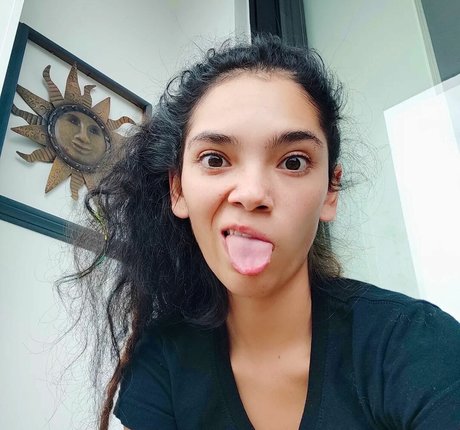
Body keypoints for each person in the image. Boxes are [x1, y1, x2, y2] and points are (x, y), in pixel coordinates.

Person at [69, 35, 460, 430]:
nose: (252, 193)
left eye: (293, 162)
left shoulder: (415, 345)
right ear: (178, 189)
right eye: (215, 159)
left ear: (330, 191)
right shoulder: (162, 362)